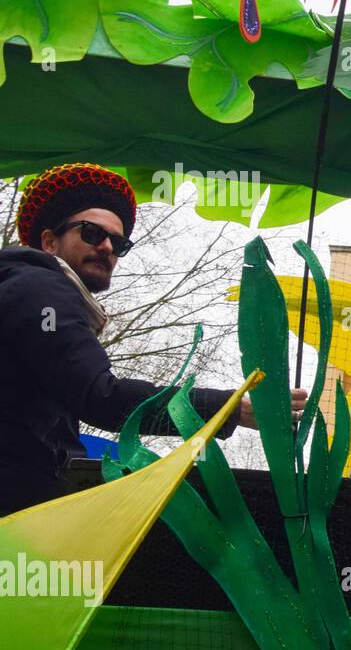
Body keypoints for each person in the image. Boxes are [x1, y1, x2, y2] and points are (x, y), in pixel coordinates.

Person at [0, 163, 307, 516]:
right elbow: (102, 398)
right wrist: (231, 408)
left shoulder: (20, 287)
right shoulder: (41, 288)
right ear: (49, 241)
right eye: (90, 233)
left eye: (118, 243)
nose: (106, 247)